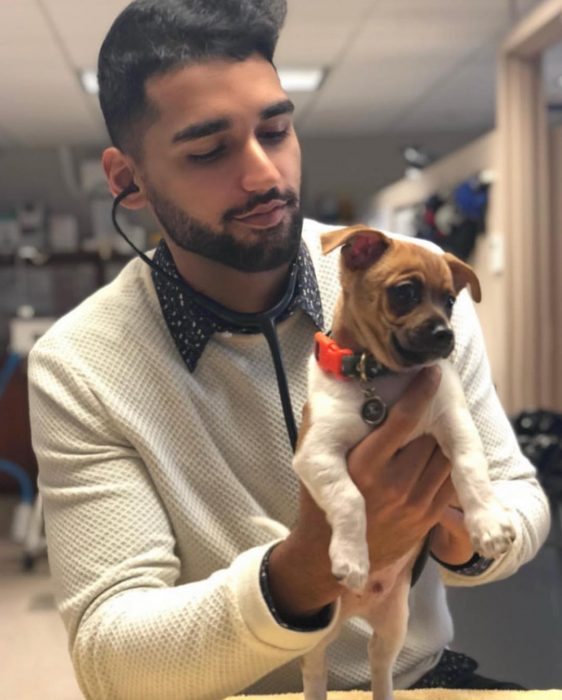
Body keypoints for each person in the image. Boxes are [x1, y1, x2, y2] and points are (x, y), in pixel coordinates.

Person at [27, 1, 550, 698]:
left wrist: (456, 532)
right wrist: (301, 570)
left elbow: (521, 498)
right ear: (128, 180)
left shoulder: (409, 283)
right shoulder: (81, 365)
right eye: (210, 150)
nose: (265, 176)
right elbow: (111, 659)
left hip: (412, 679)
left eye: (276, 129)